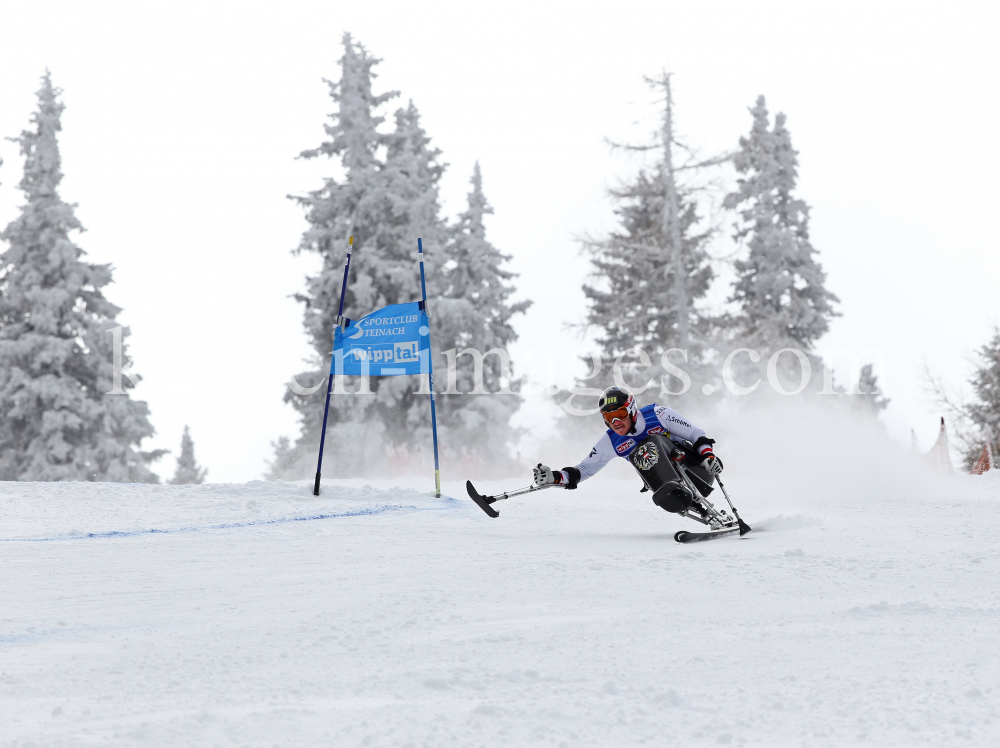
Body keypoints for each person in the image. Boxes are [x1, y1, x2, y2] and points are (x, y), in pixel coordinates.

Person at [533, 386, 728, 524]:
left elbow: (696, 434)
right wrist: (554, 477)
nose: (616, 422)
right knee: (639, 453)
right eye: (609, 418)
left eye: (620, 414)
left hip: (697, 470)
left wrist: (708, 456)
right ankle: (689, 503)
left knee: (649, 444)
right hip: (667, 490)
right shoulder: (611, 441)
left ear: (632, 410)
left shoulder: (658, 414)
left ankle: (677, 489)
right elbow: (584, 469)